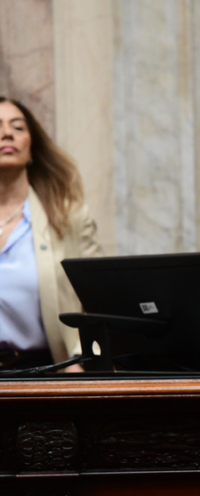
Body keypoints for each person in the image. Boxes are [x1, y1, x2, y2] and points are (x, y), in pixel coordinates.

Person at [0, 97, 102, 371]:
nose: (7, 133)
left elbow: (97, 304)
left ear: (32, 147)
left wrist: (79, 361)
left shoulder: (68, 218)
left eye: (18, 127)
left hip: (46, 373)